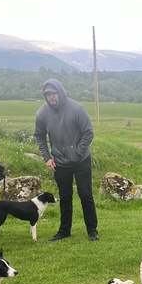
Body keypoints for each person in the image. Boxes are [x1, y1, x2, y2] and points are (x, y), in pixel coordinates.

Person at [34, 78, 98, 241]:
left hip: (81, 160)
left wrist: (77, 152)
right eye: (48, 95)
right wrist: (47, 158)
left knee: (85, 194)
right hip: (59, 162)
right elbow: (39, 137)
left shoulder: (76, 109)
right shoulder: (42, 113)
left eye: (54, 94)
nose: (51, 98)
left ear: (60, 93)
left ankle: (92, 230)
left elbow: (88, 132)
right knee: (65, 197)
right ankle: (64, 231)